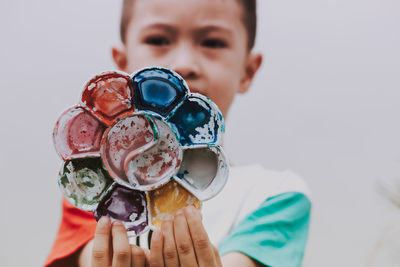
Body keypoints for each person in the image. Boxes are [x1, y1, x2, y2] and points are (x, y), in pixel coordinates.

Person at [45, 0, 312, 266]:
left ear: (248, 70)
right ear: (122, 65)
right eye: (158, 39)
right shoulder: (90, 188)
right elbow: (87, 255)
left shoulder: (276, 195)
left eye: (213, 43)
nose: (183, 64)